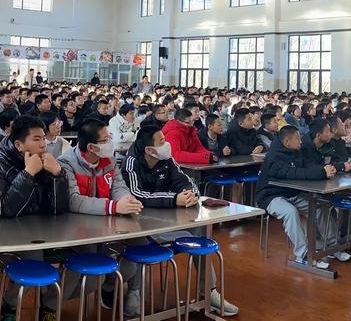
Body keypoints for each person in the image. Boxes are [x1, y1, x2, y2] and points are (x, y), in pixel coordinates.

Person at [121, 126, 239, 316]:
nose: (166, 144)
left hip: (167, 216)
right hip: (139, 220)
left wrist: (190, 194)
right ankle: (134, 292)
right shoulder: (131, 163)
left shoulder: (166, 158)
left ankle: (208, 291)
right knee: (140, 240)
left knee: (200, 230)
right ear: (149, 150)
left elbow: (185, 180)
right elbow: (136, 194)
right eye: (161, 142)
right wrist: (174, 199)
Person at [58, 119, 144, 318]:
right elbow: (73, 200)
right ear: (92, 147)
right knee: (91, 260)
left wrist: (126, 200)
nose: (110, 143)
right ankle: (52, 304)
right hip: (77, 225)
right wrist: (114, 206)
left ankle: (115, 287)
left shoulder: (109, 160)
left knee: (138, 244)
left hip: (108, 220)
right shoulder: (66, 162)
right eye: (106, 140)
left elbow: (118, 186)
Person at [0, 116, 70, 320]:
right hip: (10, 232)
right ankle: (12, 304)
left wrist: (57, 174)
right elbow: (6, 209)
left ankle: (50, 304)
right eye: (37, 139)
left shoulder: (45, 159)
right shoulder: (2, 163)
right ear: (19, 145)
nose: (43, 144)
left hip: (44, 230)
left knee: (89, 252)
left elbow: (59, 209)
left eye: (44, 139)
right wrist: (28, 173)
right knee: (35, 258)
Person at [256, 125, 338, 269]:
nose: (301, 140)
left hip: (292, 193)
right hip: (270, 196)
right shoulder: (273, 157)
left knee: (320, 206)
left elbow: (309, 167)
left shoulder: (298, 151)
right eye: (297, 138)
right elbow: (292, 173)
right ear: (287, 142)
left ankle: (332, 246)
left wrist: (329, 169)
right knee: (290, 212)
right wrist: (320, 173)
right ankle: (303, 254)